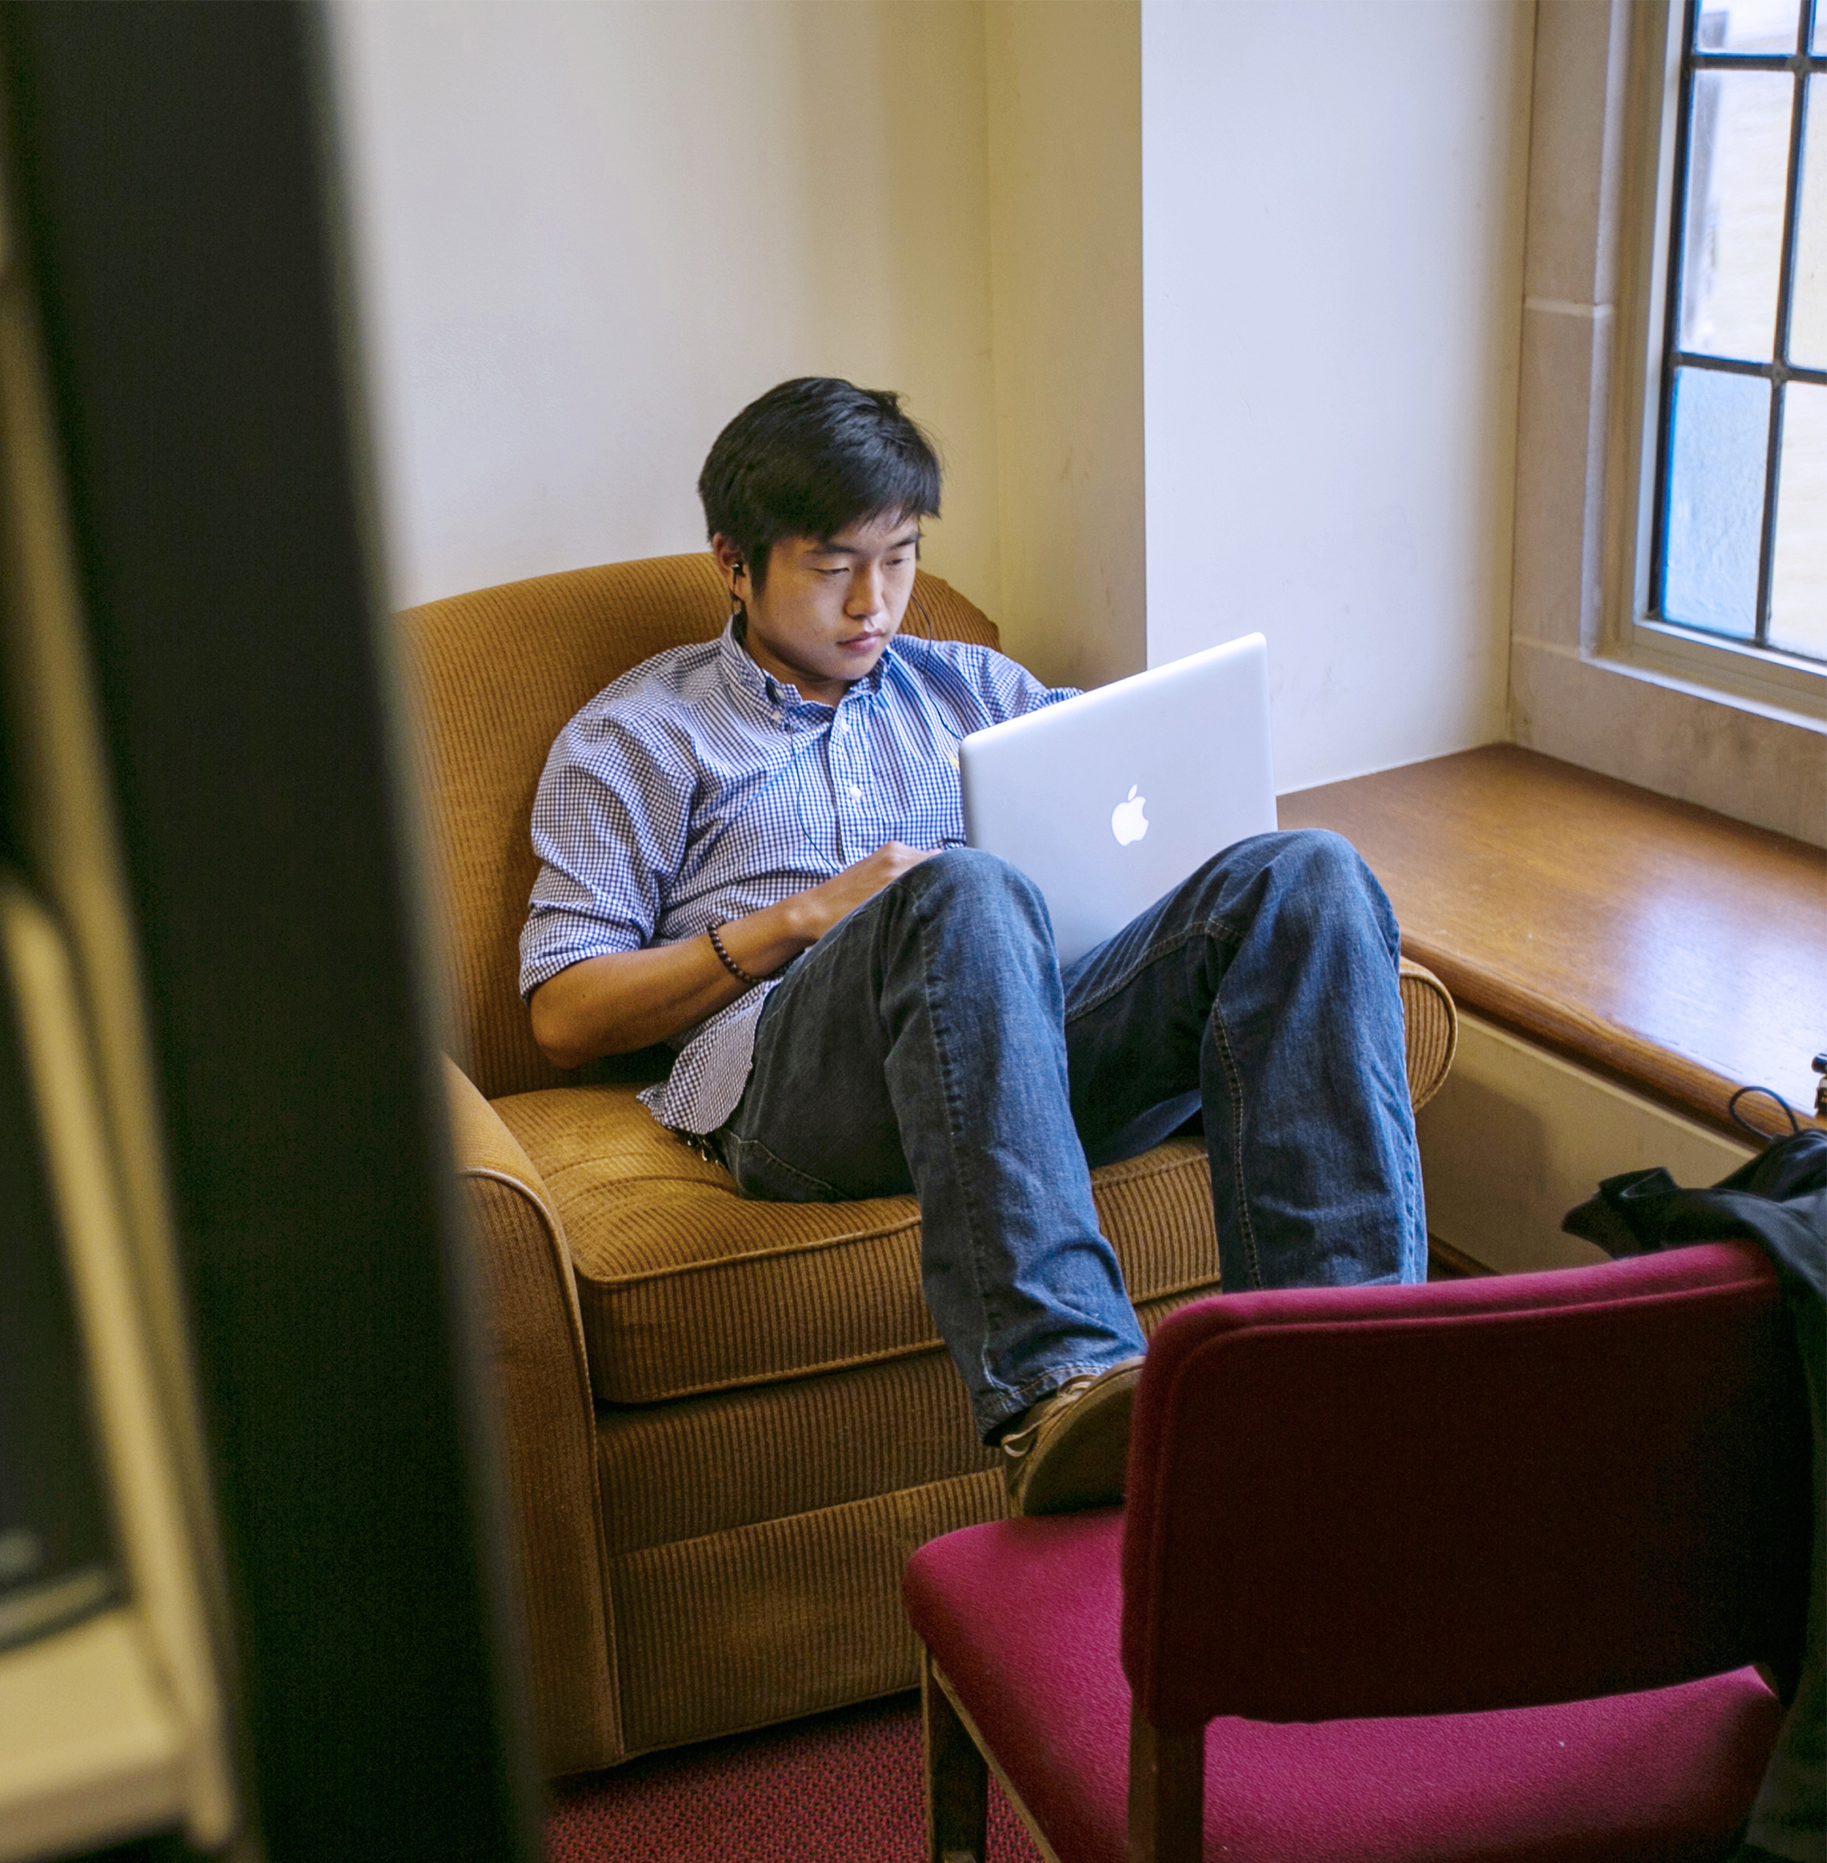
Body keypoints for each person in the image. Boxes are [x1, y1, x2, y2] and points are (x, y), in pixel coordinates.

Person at [519, 377, 1424, 1513]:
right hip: (798, 1095)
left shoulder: (979, 690)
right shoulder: (637, 735)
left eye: (899, 557)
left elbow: (1131, 824)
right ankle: (1065, 1389)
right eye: (833, 562)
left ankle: (1350, 1367)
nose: (875, 600)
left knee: (1310, 874)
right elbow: (562, 1013)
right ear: (734, 563)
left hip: (1021, 1050)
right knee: (962, 890)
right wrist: (801, 918)